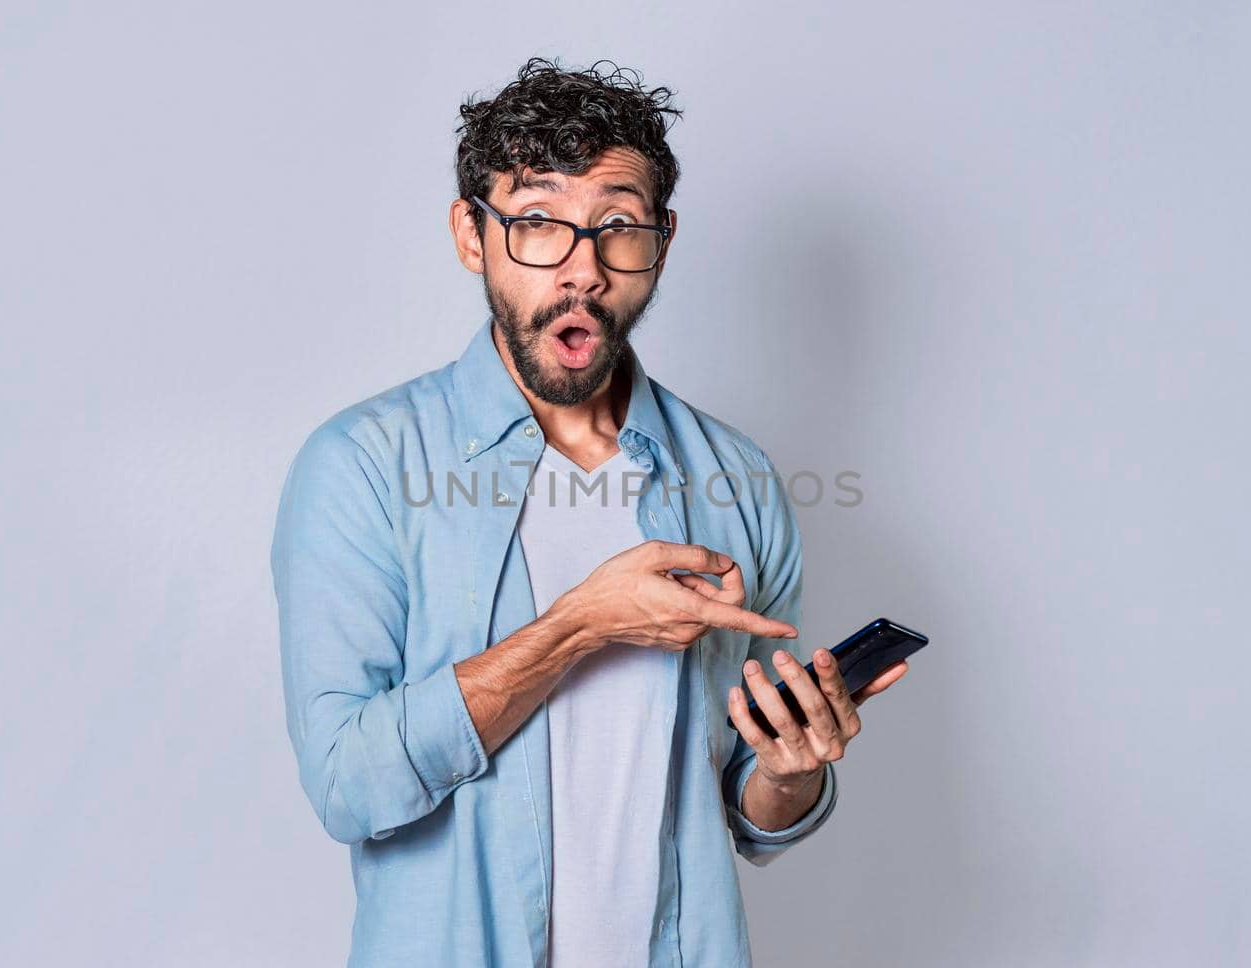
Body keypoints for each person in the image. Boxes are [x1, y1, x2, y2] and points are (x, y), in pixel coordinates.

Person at [270, 56, 910, 968]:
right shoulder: (364, 467)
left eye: (617, 227)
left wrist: (788, 771)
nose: (582, 271)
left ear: (662, 237)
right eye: (536, 224)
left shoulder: (737, 479)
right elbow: (350, 787)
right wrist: (579, 625)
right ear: (470, 233)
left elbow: (747, 812)